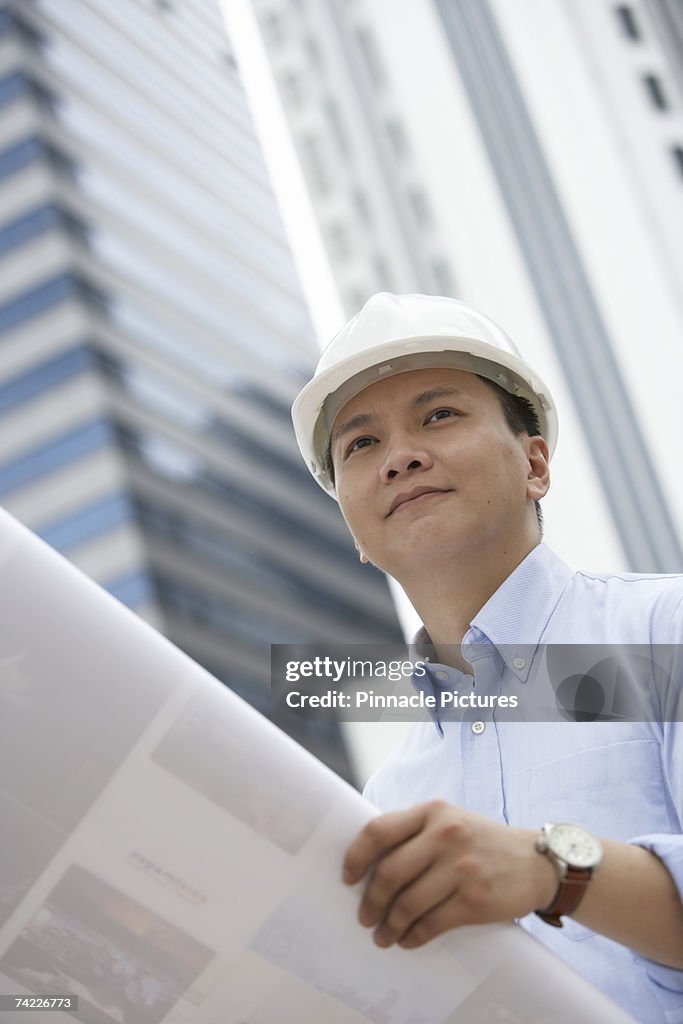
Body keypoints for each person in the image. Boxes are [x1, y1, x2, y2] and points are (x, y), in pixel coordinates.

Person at [291, 293, 683, 1021]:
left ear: (534, 462)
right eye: (360, 444)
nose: (401, 456)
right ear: (353, 529)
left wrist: (552, 871)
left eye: (437, 415)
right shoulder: (385, 802)